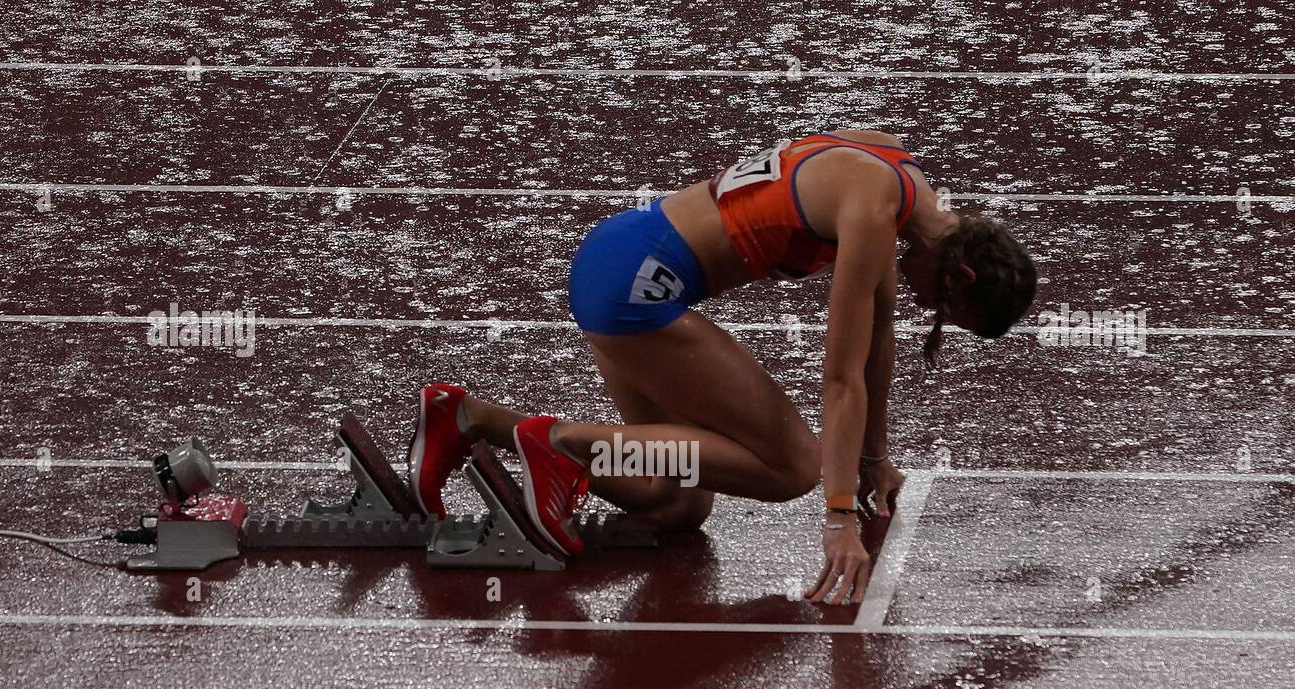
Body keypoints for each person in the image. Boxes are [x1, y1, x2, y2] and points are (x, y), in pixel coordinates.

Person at [408, 130, 1036, 604]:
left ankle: (469, 418)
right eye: (943, 309)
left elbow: (879, 334)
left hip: (620, 260)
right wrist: (839, 515)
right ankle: (560, 444)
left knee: (675, 500)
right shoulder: (874, 214)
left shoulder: (903, 181)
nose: (931, 311)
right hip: (636, 285)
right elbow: (842, 377)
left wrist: (874, 459)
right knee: (795, 467)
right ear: (962, 273)